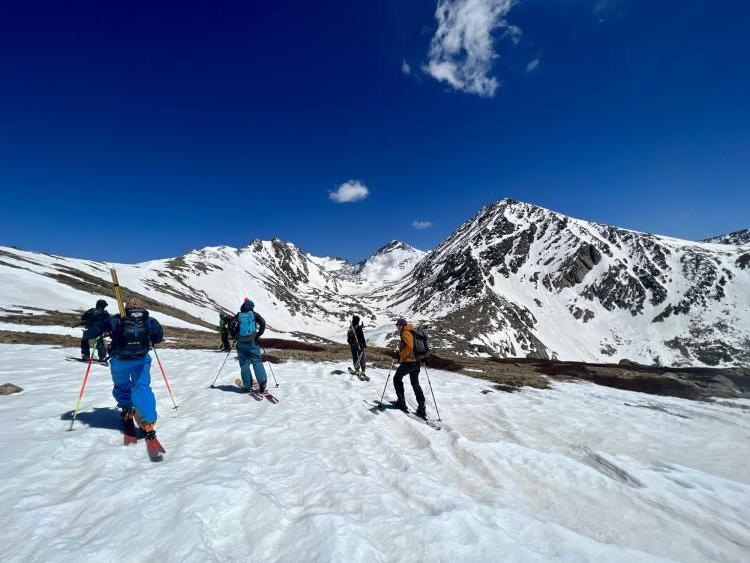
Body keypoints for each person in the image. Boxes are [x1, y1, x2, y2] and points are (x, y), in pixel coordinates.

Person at [108, 298, 164, 442]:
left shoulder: (118, 319)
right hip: (141, 359)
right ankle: (148, 422)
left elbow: (102, 328)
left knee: (122, 385)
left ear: (126, 308)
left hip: (119, 360)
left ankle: (127, 409)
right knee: (142, 387)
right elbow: (158, 338)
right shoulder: (149, 320)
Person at [230, 298, 267, 392]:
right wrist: (258, 334)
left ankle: (247, 386)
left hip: (241, 343)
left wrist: (235, 335)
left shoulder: (239, 315)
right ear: (252, 307)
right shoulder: (254, 314)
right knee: (257, 361)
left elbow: (231, 325)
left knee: (244, 364)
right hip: (253, 342)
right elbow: (263, 323)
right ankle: (262, 382)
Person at [393, 318, 427, 419]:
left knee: (397, 378)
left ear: (403, 325)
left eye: (398, 325)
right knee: (415, 384)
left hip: (409, 361)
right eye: (397, 326)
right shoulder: (412, 331)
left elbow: (409, 347)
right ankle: (422, 408)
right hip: (416, 362)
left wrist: (400, 355)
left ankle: (401, 402)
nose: (397, 327)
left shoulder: (405, 332)